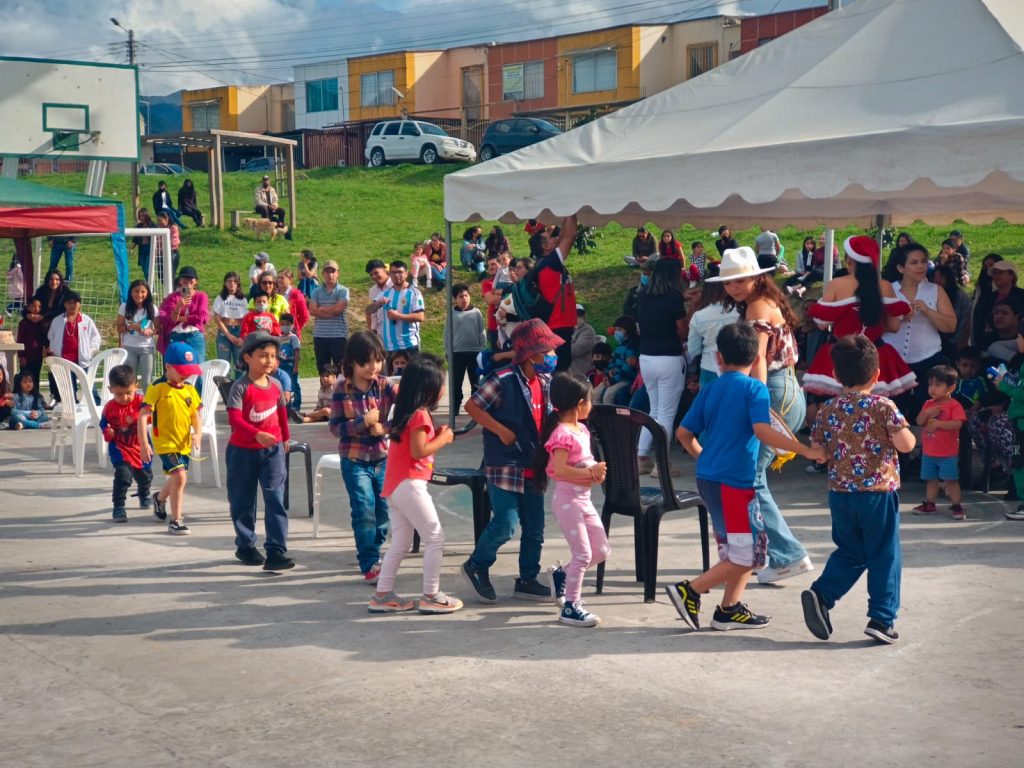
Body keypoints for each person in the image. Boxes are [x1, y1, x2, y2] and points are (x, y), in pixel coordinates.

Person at [667, 323, 824, 632]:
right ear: (756, 360)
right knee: (750, 555)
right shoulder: (755, 388)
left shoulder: (711, 388)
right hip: (735, 484)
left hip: (709, 480)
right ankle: (691, 590)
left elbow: (684, 433)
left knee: (737, 547)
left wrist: (704, 456)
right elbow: (762, 430)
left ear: (719, 359)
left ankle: (728, 610)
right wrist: (805, 451)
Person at [802, 335, 916, 645]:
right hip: (878, 492)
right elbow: (906, 444)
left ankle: (822, 595)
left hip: (840, 494)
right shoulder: (884, 406)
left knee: (851, 551)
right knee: (884, 554)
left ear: (836, 376)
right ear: (877, 375)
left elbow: (819, 449)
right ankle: (882, 617)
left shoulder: (828, 409)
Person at [712, 246, 813, 583]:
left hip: (773, 390)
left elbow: (757, 360)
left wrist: (751, 399)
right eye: (728, 282)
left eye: (740, 279)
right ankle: (771, 553)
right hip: (784, 389)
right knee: (752, 477)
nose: (734, 286)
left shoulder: (756, 306)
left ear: (757, 276)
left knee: (750, 478)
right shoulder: (766, 302)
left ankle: (787, 555)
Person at [461, 318, 564, 604]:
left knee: (535, 528)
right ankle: (477, 564)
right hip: (505, 464)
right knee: (505, 523)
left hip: (534, 464)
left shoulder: (545, 382)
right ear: (532, 353)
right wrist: (501, 430)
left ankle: (527, 579)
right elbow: (473, 406)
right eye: (549, 351)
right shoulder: (503, 378)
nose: (553, 357)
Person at [370, 353, 463, 615]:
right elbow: (420, 450)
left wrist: (439, 434)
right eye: (441, 383)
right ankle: (432, 594)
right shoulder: (421, 415)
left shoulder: (404, 412)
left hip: (396, 486)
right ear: (430, 388)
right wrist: (444, 438)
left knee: (400, 542)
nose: (444, 388)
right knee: (435, 537)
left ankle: (382, 595)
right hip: (410, 485)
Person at [535, 373, 609, 627]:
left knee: (600, 551)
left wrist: (594, 473)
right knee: (583, 554)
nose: (592, 405)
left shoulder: (582, 430)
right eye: (590, 400)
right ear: (579, 404)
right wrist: (590, 472)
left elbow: (580, 465)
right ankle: (570, 606)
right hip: (568, 502)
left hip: (584, 500)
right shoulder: (562, 434)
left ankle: (561, 576)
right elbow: (560, 470)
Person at [802, 236, 916, 400]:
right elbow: (893, 326)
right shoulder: (884, 285)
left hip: (840, 357)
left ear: (850, 259)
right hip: (875, 355)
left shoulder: (837, 284)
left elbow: (821, 324)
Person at [329, 331, 399, 582]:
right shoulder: (341, 388)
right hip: (354, 460)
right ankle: (369, 561)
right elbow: (336, 428)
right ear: (352, 363)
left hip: (382, 457)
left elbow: (407, 409)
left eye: (378, 360)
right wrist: (362, 422)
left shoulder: (385, 385)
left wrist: (385, 428)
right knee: (363, 509)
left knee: (383, 510)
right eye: (366, 362)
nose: (373, 367)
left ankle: (375, 551)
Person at [224, 332, 294, 571]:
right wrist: (255, 434)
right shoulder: (240, 386)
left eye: (273, 356)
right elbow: (233, 417)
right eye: (263, 355)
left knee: (275, 498)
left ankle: (276, 551)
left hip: (272, 452)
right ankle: (245, 545)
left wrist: (285, 437)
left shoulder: (276, 385)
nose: (269, 361)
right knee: (242, 500)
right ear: (247, 357)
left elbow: (282, 413)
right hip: (242, 452)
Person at [883, 243, 957, 422]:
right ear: (901, 267)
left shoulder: (935, 290)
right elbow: (873, 324)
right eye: (914, 262)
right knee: (891, 413)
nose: (920, 266)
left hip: (928, 360)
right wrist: (898, 316)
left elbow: (950, 325)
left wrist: (928, 311)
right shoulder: (887, 289)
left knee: (927, 410)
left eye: (924, 261)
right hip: (893, 362)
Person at [139, 341, 202, 536]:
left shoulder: (190, 389)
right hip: (165, 442)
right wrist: (143, 443)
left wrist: (197, 433)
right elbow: (142, 415)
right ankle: (176, 520)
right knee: (180, 476)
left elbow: (195, 415)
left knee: (177, 478)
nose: (187, 374)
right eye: (182, 370)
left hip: (183, 442)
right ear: (168, 366)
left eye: (190, 370)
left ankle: (159, 498)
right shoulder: (157, 388)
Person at [634, 259, 688, 477]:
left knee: (654, 409)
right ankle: (662, 464)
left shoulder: (644, 295)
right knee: (666, 412)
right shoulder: (673, 298)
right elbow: (682, 330)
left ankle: (641, 456)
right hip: (669, 357)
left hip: (646, 357)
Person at [912, 365, 967, 520]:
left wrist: (938, 424)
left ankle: (957, 505)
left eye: (938, 385)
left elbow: (958, 424)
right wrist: (927, 413)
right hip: (929, 451)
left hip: (947, 453)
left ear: (951, 388)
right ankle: (930, 503)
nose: (932, 389)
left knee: (950, 480)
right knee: (931, 479)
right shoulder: (928, 404)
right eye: (930, 384)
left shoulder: (954, 405)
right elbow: (918, 421)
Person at [101, 364, 152, 523]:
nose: (124, 398)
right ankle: (118, 507)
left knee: (145, 476)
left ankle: (144, 493)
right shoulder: (109, 408)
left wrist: (137, 418)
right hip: (120, 447)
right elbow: (104, 424)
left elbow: (151, 417)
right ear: (111, 390)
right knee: (123, 476)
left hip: (140, 445)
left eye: (129, 393)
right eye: (119, 394)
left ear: (136, 387)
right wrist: (107, 432)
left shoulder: (142, 402)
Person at [530, 215, 579, 371]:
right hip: (559, 325)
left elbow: (564, 236)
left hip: (553, 324)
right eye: (551, 236)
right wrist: (571, 212)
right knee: (560, 371)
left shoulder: (543, 262)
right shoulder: (551, 262)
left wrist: (565, 218)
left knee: (556, 370)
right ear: (546, 247)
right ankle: (557, 396)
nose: (555, 235)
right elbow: (569, 237)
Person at [686, 280, 740, 387]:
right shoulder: (740, 311)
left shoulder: (699, 316)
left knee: (709, 403)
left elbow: (693, 349)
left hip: (709, 368)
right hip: (737, 368)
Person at [445, 283, 485, 415]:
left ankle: (476, 408)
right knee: (456, 384)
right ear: (455, 299)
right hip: (457, 353)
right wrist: (447, 350)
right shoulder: (451, 313)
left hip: (474, 352)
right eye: (460, 296)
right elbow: (447, 333)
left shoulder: (476, 312)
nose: (464, 299)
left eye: (466, 295)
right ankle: (455, 408)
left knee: (476, 383)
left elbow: (481, 331)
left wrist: (482, 349)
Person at [158, 266, 209, 365]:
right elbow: (170, 318)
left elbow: (201, 317)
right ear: (180, 280)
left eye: (191, 278)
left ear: (195, 281)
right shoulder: (172, 297)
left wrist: (180, 318)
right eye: (184, 278)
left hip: (194, 335)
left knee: (198, 366)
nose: (187, 281)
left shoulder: (201, 296)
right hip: (176, 335)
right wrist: (179, 306)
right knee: (176, 366)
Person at [972, 257, 1024, 347]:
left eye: (1000, 273)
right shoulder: (987, 298)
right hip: (989, 341)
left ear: (1011, 275)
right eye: (994, 274)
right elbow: (979, 321)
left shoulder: (1021, 296)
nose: (996, 276)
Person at [117, 279, 159, 392]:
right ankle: (131, 405)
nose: (139, 295)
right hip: (129, 347)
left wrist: (150, 331)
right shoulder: (124, 307)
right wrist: (129, 327)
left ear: (147, 293)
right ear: (131, 292)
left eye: (143, 292)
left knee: (147, 381)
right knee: (129, 379)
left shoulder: (152, 308)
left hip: (147, 348)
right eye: (136, 291)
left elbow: (159, 328)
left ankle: (148, 406)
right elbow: (119, 328)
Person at [309, 259, 350, 370]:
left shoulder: (343, 291)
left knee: (341, 369)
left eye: (333, 271)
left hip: (339, 335)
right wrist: (331, 311)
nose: (330, 274)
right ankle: (325, 388)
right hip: (320, 335)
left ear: (338, 273)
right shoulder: (316, 291)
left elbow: (338, 309)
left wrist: (321, 309)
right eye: (327, 271)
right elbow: (312, 310)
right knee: (323, 370)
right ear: (323, 274)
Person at [47, 290, 102, 370]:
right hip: (62, 361)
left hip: (82, 362)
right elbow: (51, 337)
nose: (72, 305)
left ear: (79, 304)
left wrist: (89, 352)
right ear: (65, 304)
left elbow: (96, 338)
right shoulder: (57, 320)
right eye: (69, 302)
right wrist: (54, 350)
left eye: (74, 303)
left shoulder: (86, 320)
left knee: (86, 382)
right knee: (66, 382)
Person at [379, 260, 424, 355]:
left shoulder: (414, 293)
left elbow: (420, 317)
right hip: (390, 347)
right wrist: (377, 303)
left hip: (409, 345)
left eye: (400, 272)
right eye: (393, 272)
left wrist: (398, 316)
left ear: (406, 273)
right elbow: (369, 310)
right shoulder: (385, 293)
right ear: (389, 274)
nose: (396, 275)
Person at [592, 316, 639, 406]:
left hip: (626, 379)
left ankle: (611, 418)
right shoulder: (619, 347)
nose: (617, 332)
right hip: (615, 377)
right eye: (616, 329)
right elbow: (613, 364)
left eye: (620, 329)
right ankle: (598, 416)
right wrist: (607, 374)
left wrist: (613, 380)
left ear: (628, 330)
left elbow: (627, 369)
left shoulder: (631, 348)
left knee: (608, 395)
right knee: (595, 393)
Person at [932, 263, 972, 359]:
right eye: (935, 277)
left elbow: (965, 319)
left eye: (941, 277)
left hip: (954, 340)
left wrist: (959, 341)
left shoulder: (960, 296)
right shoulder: (931, 294)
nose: (938, 281)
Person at [212, 272, 249, 374]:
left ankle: (239, 387)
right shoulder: (220, 298)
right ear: (225, 283)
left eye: (234, 281)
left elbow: (246, 319)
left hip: (239, 331)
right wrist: (228, 335)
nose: (232, 283)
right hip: (224, 331)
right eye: (229, 281)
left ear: (238, 283)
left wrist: (242, 336)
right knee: (224, 363)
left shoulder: (243, 299)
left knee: (240, 363)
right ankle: (224, 388)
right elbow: (217, 319)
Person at [16, 299, 48, 388]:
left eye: (39, 306)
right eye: (34, 306)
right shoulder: (24, 323)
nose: (36, 309)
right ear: (28, 307)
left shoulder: (43, 323)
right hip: (26, 355)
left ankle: (36, 397)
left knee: (36, 377)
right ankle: (24, 398)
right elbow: (20, 340)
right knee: (25, 378)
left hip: (38, 355)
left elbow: (45, 338)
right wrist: (21, 356)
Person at [277, 312, 302, 410]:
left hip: (290, 364)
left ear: (292, 325)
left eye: (287, 324)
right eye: (282, 324)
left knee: (294, 384)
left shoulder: (293, 338)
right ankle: (285, 405)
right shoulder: (279, 338)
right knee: (283, 385)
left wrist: (296, 366)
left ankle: (296, 404)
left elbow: (296, 351)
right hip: (281, 364)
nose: (284, 326)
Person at [364, 259, 392, 338]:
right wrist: (372, 330)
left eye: (376, 273)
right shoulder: (372, 291)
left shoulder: (395, 286)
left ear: (384, 270)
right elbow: (373, 314)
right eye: (371, 275)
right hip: (381, 333)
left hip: (398, 331)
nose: (374, 277)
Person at [569, 304, 597, 378]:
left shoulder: (588, 330)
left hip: (579, 371)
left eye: (579, 315)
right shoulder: (568, 329)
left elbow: (576, 350)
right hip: (566, 370)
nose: (577, 317)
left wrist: (558, 350)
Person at [131, 210, 157, 281]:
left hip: (150, 248)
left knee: (147, 269)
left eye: (142, 216)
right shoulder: (139, 226)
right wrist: (132, 248)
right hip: (142, 249)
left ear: (147, 216)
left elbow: (158, 237)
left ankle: (152, 288)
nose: (141, 218)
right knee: (144, 269)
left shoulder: (153, 225)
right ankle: (149, 286)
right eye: (139, 216)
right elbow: (135, 238)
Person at [154, 211, 181, 278]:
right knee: (161, 275)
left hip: (172, 253)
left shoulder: (173, 228)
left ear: (166, 219)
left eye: (160, 220)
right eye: (158, 221)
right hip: (161, 254)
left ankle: (173, 287)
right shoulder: (159, 229)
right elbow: (157, 242)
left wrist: (164, 248)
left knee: (170, 274)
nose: (159, 223)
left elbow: (175, 241)